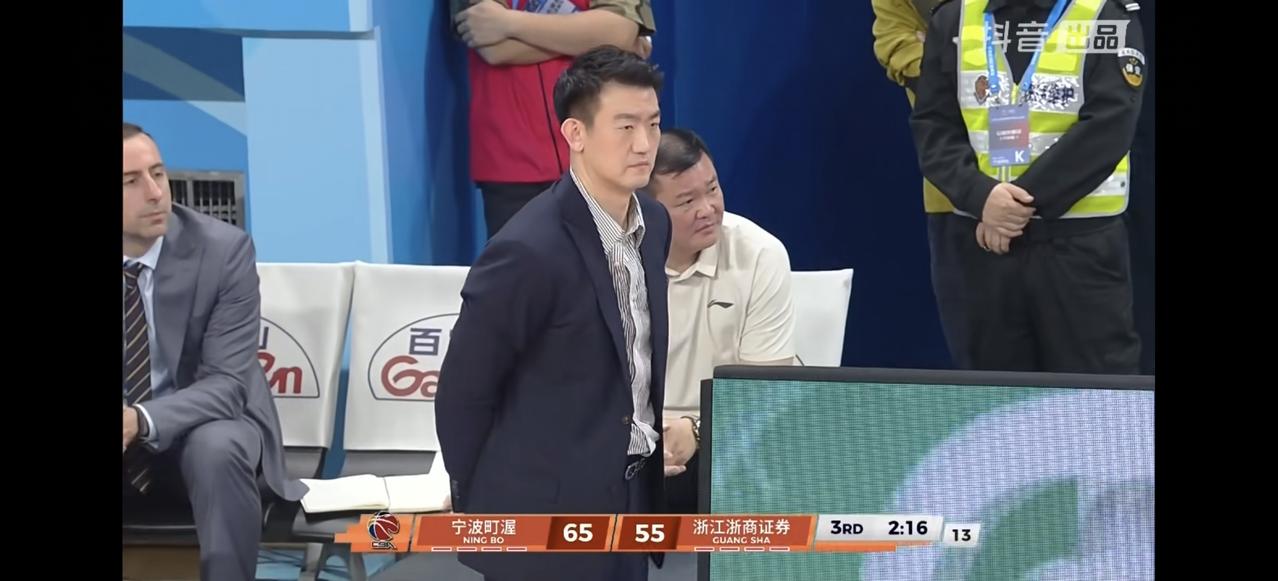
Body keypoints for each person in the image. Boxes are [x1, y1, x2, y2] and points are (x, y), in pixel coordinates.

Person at [436, 46, 671, 581]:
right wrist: (484, 504)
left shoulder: (655, 223)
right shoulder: (527, 249)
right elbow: (464, 394)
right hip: (541, 521)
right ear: (575, 133)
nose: (644, 144)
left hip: (631, 501)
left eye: (653, 124)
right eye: (625, 126)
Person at [910, 0, 1146, 373]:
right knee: (994, 395)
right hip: (982, 246)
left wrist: (1016, 207)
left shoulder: (1104, 14)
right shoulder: (955, 17)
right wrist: (981, 196)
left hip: (1076, 246)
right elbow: (933, 124)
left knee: (1094, 393)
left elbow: (1109, 125)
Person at [122, 122, 306, 580]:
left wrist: (138, 420)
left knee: (216, 447)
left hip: (203, 426)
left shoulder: (222, 251)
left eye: (158, 174)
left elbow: (226, 386)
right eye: (131, 181)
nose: (155, 193)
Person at [641, 128, 796, 514]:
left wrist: (696, 431)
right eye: (686, 201)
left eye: (712, 189)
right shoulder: (615, 261)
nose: (708, 209)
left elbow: (766, 394)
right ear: (645, 210)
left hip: (729, 441)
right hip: (634, 441)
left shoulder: (759, 254)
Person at [453, 0, 656, 237]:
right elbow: (491, 45)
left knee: (613, 257)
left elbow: (618, 30)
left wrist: (509, 23)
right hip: (514, 160)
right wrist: (591, 37)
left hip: (604, 146)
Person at [871, 0, 973, 368]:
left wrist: (938, 48)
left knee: (1077, 366)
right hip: (954, 195)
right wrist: (973, 68)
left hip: (1056, 196)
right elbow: (897, 48)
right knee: (982, 364)